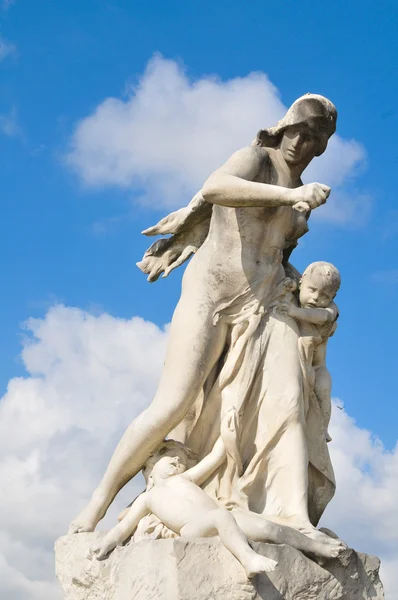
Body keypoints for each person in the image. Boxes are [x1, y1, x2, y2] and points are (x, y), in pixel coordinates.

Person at [69, 93, 338, 538]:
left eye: (314, 140)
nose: (302, 144)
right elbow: (216, 188)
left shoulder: (301, 191)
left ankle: (291, 513)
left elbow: (272, 250)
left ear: (321, 147)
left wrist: (310, 302)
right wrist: (292, 194)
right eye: (298, 132)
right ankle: (98, 502)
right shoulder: (257, 160)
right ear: (284, 126)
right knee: (172, 403)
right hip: (212, 296)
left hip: (265, 301)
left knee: (289, 398)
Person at [88, 429, 345, 575]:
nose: (178, 463)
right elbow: (124, 528)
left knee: (269, 528)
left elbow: (214, 459)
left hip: (224, 519)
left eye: (181, 460)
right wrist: (108, 541)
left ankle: (315, 548)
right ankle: (248, 560)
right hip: (192, 528)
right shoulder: (147, 498)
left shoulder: (186, 478)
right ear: (149, 468)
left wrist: (228, 433)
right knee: (221, 517)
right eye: (171, 459)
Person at [277, 262, 340, 442]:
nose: (315, 298)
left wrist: (294, 312)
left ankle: (323, 429)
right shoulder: (295, 285)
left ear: (333, 297)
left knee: (323, 392)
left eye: (324, 296)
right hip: (298, 363)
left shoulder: (330, 311)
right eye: (312, 290)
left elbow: (322, 317)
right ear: (302, 281)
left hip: (318, 368)